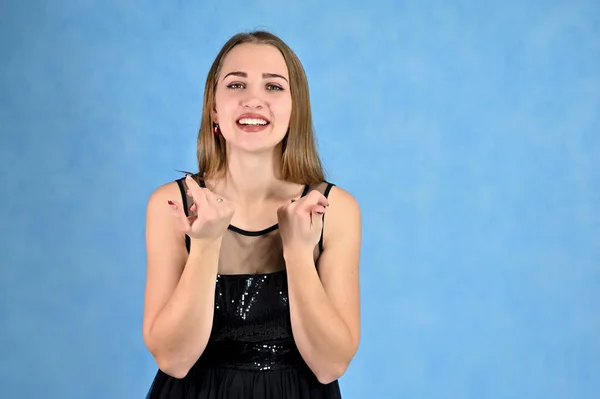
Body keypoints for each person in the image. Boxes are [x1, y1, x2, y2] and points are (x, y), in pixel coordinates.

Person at [142, 30, 362, 399]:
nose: (253, 100)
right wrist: (206, 244)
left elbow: (330, 365)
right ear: (214, 108)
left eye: (274, 87)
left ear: (296, 109)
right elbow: (173, 359)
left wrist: (297, 252)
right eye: (236, 85)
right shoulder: (172, 204)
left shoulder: (335, 210)